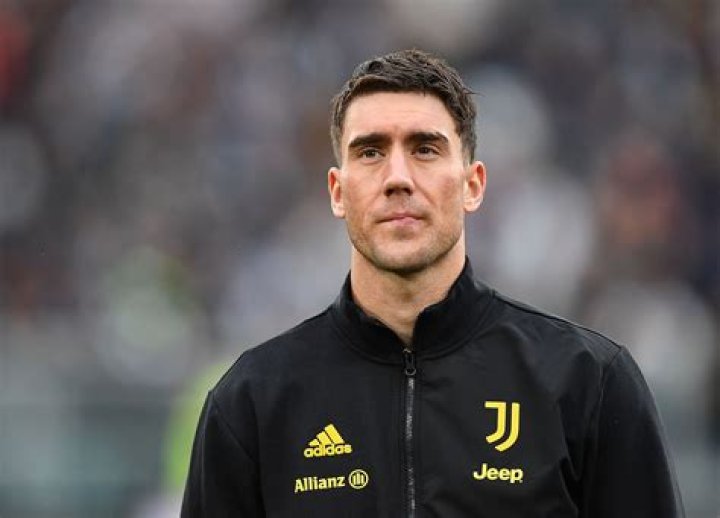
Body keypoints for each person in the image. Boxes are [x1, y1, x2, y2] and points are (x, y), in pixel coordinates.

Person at [181, 49, 684, 517]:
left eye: (425, 149)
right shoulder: (253, 402)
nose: (397, 177)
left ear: (473, 185)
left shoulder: (588, 383)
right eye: (370, 152)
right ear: (337, 192)